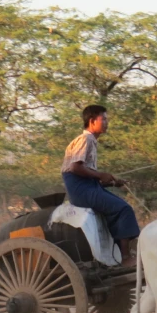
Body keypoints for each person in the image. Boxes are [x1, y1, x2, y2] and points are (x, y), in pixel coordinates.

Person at [61, 104, 140, 268]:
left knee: (117, 207)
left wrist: (112, 181)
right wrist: (100, 175)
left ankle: (118, 255)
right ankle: (125, 258)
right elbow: (76, 168)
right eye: (103, 119)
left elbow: (85, 171)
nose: (106, 122)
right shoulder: (85, 139)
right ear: (92, 121)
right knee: (123, 208)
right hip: (81, 189)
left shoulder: (91, 141)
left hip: (88, 186)